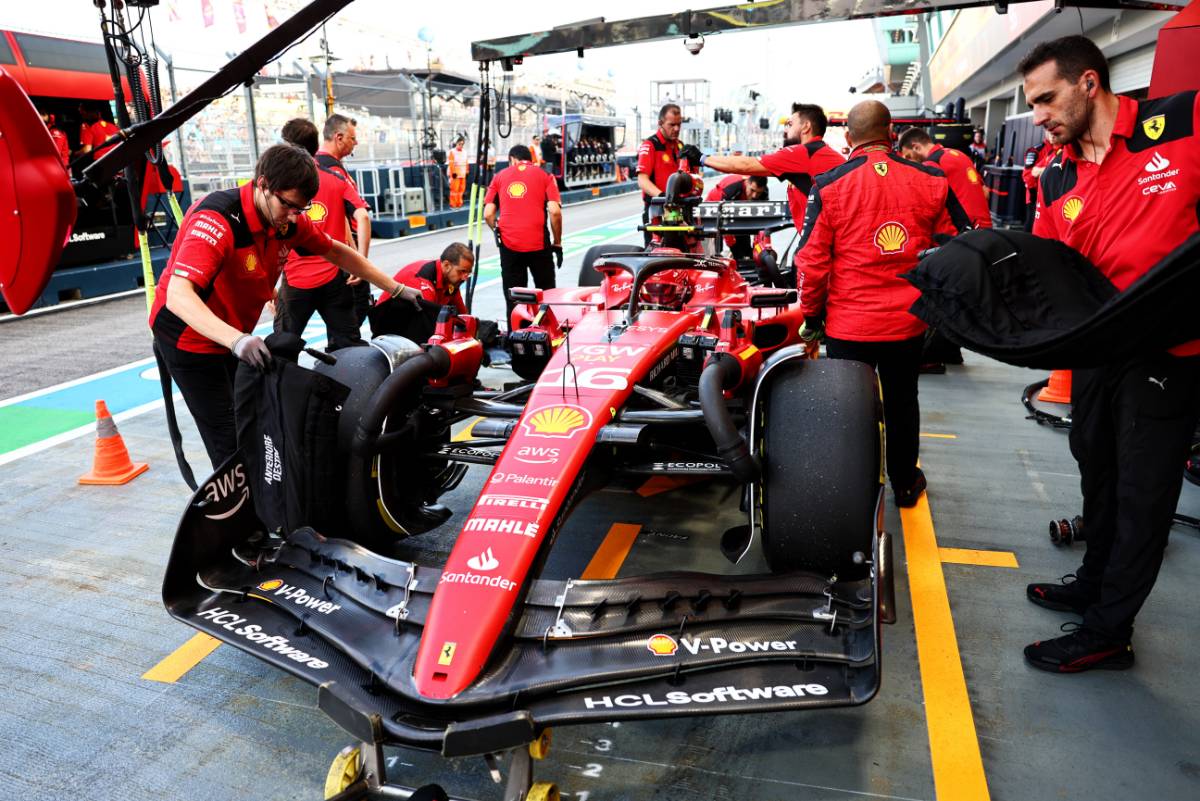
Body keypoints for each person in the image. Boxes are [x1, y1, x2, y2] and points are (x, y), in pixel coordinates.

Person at [1019, 36, 1200, 673]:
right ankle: (1095, 581)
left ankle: (1108, 631)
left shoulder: (1180, 124)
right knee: (1096, 468)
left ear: (1089, 83)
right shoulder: (1057, 172)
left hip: (1169, 351)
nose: (1037, 115)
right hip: (1098, 348)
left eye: (1046, 99)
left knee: (1141, 491)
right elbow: (1045, 264)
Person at [148, 144, 422, 469]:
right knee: (229, 439)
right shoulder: (216, 220)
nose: (294, 217)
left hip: (233, 334)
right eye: (289, 206)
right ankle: (242, 513)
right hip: (189, 338)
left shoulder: (286, 218)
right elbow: (179, 296)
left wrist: (395, 287)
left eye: (301, 209)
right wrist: (237, 341)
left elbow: (335, 251)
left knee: (254, 423)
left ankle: (268, 503)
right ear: (263, 185)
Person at [795, 100, 972, 509]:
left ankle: (851, 489)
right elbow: (956, 247)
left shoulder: (829, 184)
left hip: (847, 325)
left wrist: (811, 316)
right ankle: (906, 484)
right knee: (902, 402)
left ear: (848, 138)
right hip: (907, 324)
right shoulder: (931, 179)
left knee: (849, 408)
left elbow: (812, 262)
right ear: (891, 133)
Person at [273, 118, 370, 351]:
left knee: (281, 348)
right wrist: (360, 262)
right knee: (347, 345)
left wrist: (268, 286)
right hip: (333, 275)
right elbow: (362, 217)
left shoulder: (278, 183)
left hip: (296, 279)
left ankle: (282, 388)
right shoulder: (336, 178)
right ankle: (350, 385)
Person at [696, 103, 845, 247]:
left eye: (790, 124)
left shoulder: (802, 153)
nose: (786, 130)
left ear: (806, 127)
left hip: (826, 241)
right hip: (837, 235)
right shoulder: (824, 153)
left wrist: (703, 159)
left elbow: (745, 165)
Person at [484, 145, 563, 328]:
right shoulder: (545, 176)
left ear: (512, 159)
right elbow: (555, 212)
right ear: (530, 159)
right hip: (539, 245)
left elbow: (488, 213)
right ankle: (548, 334)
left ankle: (516, 339)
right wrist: (557, 243)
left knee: (514, 299)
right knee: (547, 294)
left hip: (509, 246)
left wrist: (497, 230)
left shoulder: (499, 177)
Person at [316, 114, 374, 327]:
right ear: (338, 137)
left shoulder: (318, 165)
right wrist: (361, 261)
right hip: (342, 255)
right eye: (352, 138)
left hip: (330, 252)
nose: (355, 143)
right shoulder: (331, 170)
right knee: (351, 316)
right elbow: (360, 216)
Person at [369, 243, 474, 343]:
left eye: (468, 273)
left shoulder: (452, 280)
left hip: (414, 322)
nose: (465, 277)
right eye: (462, 271)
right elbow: (431, 323)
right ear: (446, 265)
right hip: (384, 323)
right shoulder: (423, 278)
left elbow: (463, 316)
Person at [897, 127, 992, 230]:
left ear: (917, 148)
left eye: (908, 157)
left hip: (965, 234)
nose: (909, 162)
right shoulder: (960, 155)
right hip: (985, 228)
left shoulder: (931, 165)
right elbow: (985, 192)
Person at [637, 103, 689, 246]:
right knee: (657, 255)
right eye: (672, 125)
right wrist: (663, 198)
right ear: (660, 123)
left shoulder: (681, 146)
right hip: (657, 209)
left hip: (679, 209)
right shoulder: (650, 145)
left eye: (679, 124)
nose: (677, 129)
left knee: (683, 254)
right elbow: (642, 180)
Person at [704, 174, 769, 258]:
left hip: (739, 212)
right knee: (716, 247)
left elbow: (762, 222)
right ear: (747, 183)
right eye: (752, 190)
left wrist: (758, 247)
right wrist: (734, 248)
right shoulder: (732, 188)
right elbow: (723, 222)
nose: (754, 196)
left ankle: (745, 255)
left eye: (758, 192)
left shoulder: (764, 193)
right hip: (714, 209)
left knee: (746, 248)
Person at [1020, 130, 1058, 231]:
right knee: (1031, 227)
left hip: (1051, 198)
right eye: (1050, 131)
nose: (1052, 134)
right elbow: (1028, 176)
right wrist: (1034, 196)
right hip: (1035, 197)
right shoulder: (1036, 150)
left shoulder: (1060, 150)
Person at [447, 137, 470, 208]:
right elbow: (451, 163)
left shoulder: (465, 152)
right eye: (459, 144)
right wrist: (453, 173)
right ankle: (453, 204)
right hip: (455, 175)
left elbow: (466, 162)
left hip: (462, 174)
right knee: (454, 190)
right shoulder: (452, 152)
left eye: (462, 144)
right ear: (456, 143)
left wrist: (467, 171)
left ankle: (459, 203)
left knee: (461, 190)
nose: (461, 146)